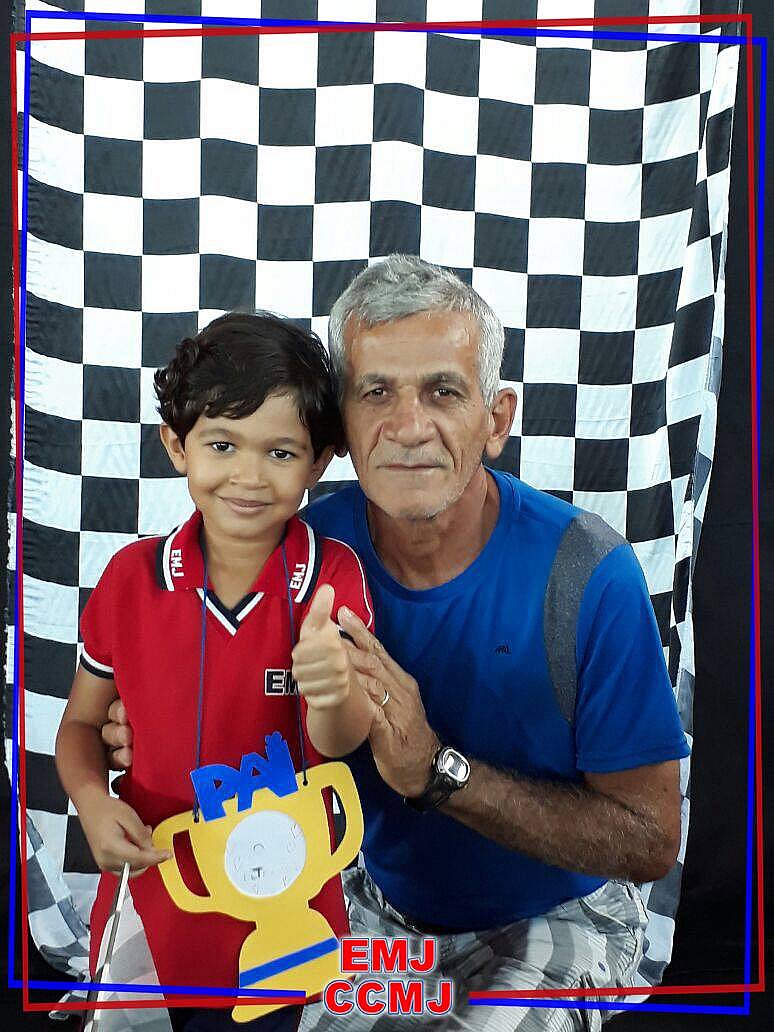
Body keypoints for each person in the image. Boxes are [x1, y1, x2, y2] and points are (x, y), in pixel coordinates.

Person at [103, 256, 690, 1031]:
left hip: (558, 915)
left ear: (496, 419)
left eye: (444, 391)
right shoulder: (296, 557)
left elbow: (651, 842)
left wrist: (438, 772)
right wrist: (156, 721)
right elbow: (225, 700)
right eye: (376, 392)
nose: (409, 427)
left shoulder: (589, 574)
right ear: (341, 428)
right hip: (367, 901)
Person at [55, 312, 378, 1032]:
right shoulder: (129, 578)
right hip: (155, 893)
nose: (248, 476)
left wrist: (334, 689)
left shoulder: (332, 578)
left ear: (319, 462)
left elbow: (340, 742)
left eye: (281, 452)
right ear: (177, 444)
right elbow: (79, 725)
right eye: (223, 444)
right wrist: (93, 802)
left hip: (290, 898)